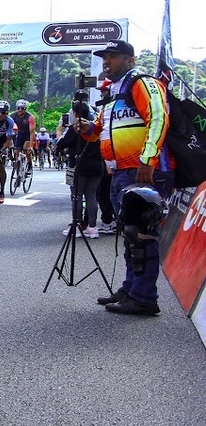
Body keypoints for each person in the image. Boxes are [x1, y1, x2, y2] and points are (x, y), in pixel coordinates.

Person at [78, 39, 174, 315]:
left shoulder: (142, 83)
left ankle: (144, 297)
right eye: (104, 56)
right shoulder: (112, 92)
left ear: (130, 60)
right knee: (129, 233)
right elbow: (99, 132)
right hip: (119, 172)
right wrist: (86, 128)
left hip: (141, 170)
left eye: (114, 56)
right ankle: (131, 288)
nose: (106, 60)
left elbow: (159, 117)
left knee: (141, 233)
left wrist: (148, 158)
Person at [56, 90, 103, 238]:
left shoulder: (75, 128)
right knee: (91, 195)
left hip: (78, 166)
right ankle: (92, 228)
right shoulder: (95, 127)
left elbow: (61, 144)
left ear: (75, 114)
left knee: (76, 195)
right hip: (96, 165)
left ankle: (76, 226)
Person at [94, 79, 117, 234]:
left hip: (116, 162)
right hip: (105, 159)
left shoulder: (117, 109)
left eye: (104, 91)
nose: (101, 94)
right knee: (102, 192)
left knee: (106, 192)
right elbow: (95, 132)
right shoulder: (104, 111)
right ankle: (110, 219)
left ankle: (109, 221)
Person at [0, 100, 15, 204]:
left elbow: (8, 140)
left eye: (4, 113)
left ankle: (1, 191)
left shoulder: (9, 122)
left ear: (7, 113)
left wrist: (2, 150)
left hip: (3, 141)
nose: (0, 115)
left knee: (1, 166)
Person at [10, 98, 36, 165]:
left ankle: (29, 164)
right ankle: (17, 164)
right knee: (16, 151)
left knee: (26, 150)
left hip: (28, 134)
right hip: (19, 134)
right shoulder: (12, 116)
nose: (20, 110)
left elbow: (32, 132)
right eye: (18, 108)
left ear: (25, 108)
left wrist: (31, 146)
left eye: (22, 108)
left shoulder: (30, 117)